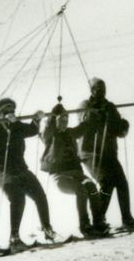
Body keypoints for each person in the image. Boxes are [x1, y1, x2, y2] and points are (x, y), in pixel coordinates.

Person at [0, 97, 55, 249]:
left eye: (12, 111)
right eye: (6, 111)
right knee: (17, 196)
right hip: (1, 169)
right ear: (0, 113)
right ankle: (14, 236)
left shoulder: (16, 125)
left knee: (39, 195)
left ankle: (47, 229)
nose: (10, 113)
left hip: (20, 167)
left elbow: (31, 130)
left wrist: (36, 119)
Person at [76, 77, 134, 230]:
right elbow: (84, 119)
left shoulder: (110, 107)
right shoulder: (85, 105)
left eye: (103, 89)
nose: (102, 92)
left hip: (109, 152)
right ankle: (98, 220)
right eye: (98, 89)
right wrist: (95, 114)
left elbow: (118, 130)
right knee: (106, 181)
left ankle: (127, 218)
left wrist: (124, 126)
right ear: (92, 91)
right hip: (90, 153)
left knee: (121, 182)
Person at [41, 102, 108, 238]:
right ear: (56, 121)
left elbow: (83, 127)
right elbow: (48, 129)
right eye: (61, 120)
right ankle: (85, 225)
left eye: (66, 120)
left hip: (76, 173)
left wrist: (92, 114)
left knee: (91, 186)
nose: (64, 123)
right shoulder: (50, 136)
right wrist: (52, 116)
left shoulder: (70, 133)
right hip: (60, 176)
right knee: (81, 190)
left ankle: (98, 222)